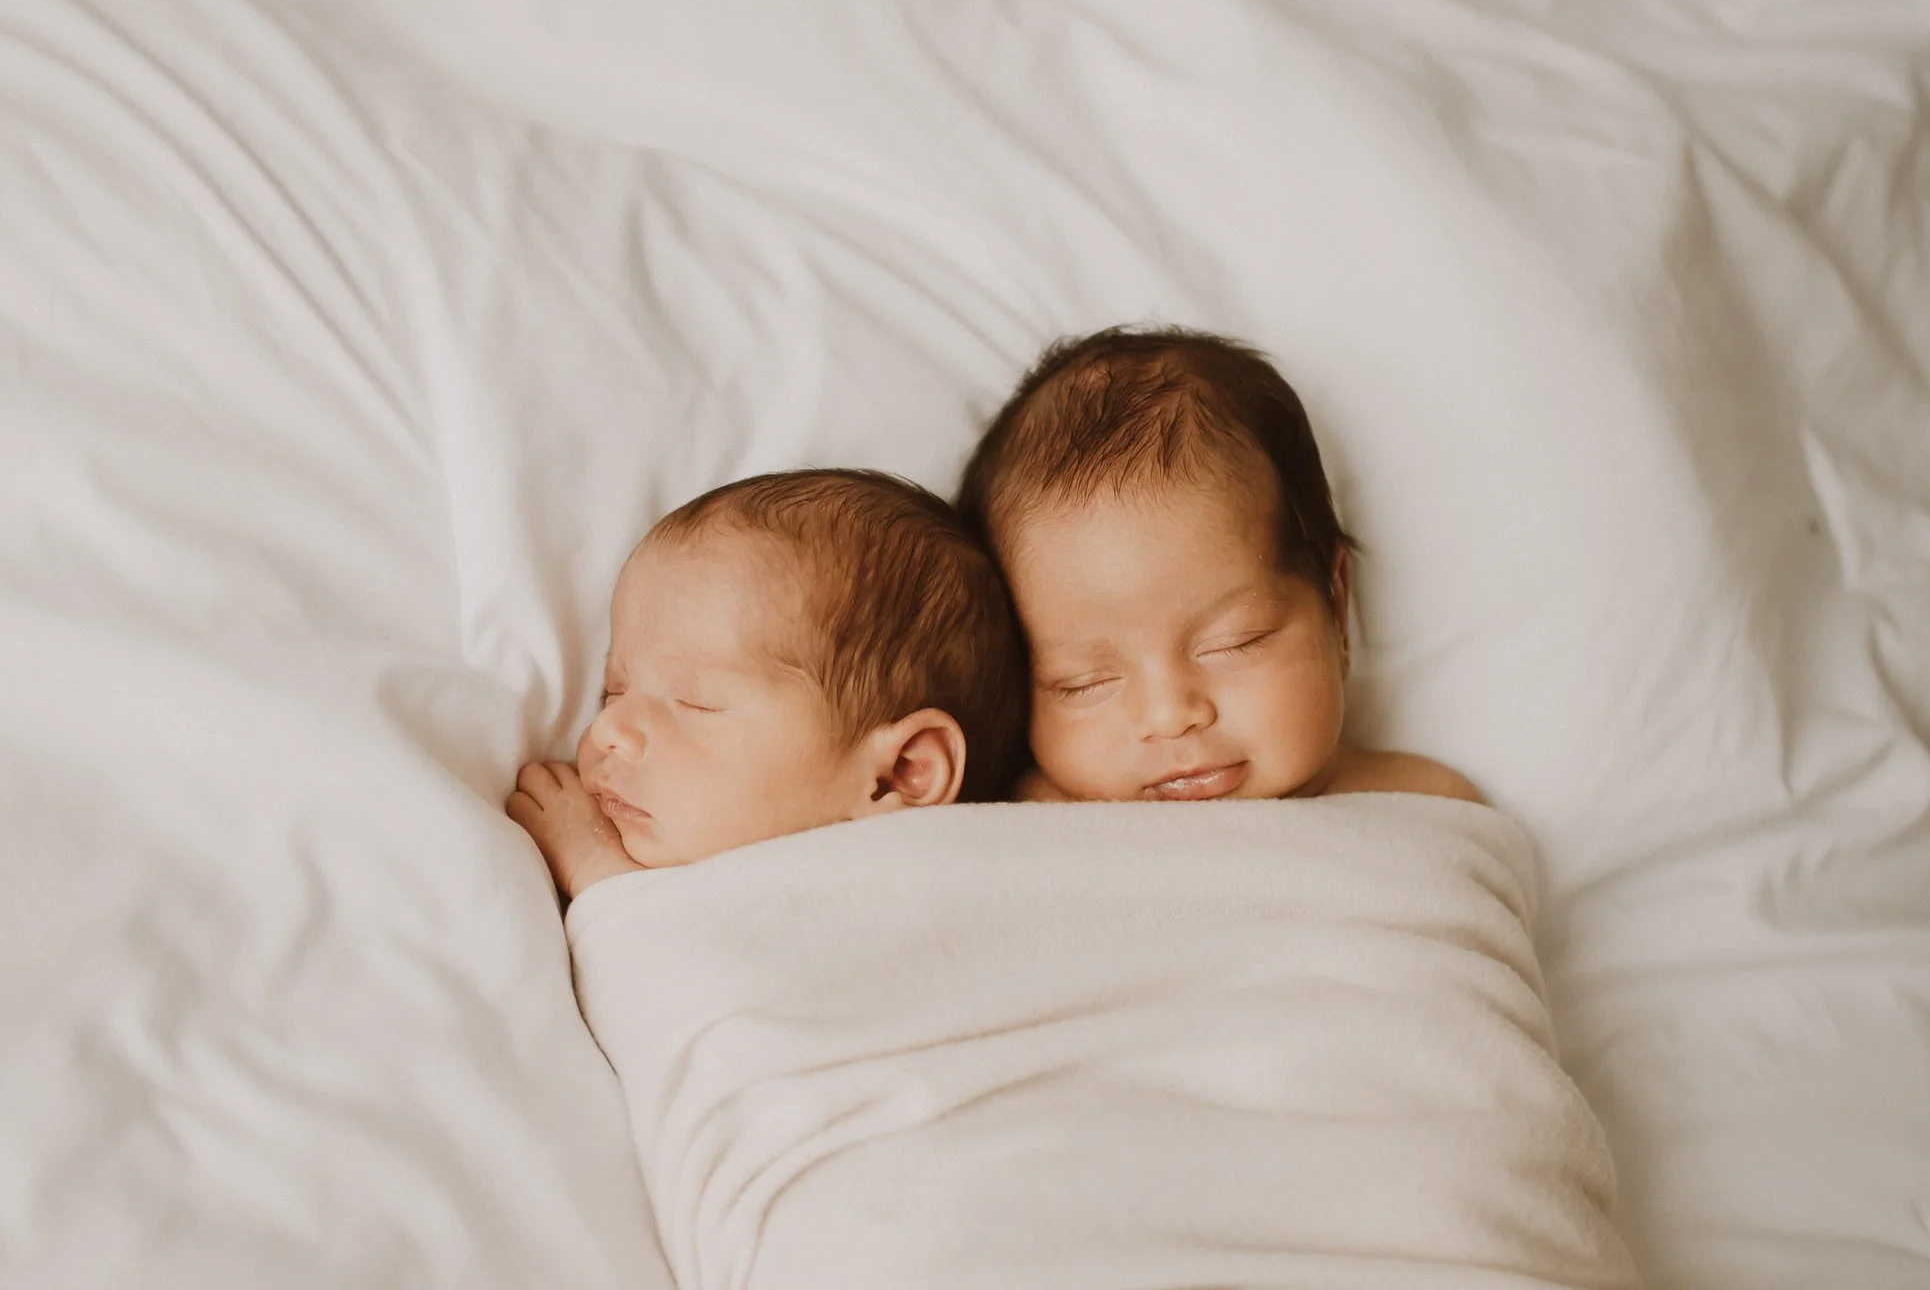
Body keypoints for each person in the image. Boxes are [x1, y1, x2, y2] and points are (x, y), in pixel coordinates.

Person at [956, 324, 1482, 805]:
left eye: (1234, 642)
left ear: (1336, 607)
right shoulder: (1031, 825)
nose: (1169, 716)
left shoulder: (1427, 805)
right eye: (1084, 682)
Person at [508, 467, 1025, 898]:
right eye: (613, 692)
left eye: (695, 702)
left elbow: (701, 994)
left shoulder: (897, 897)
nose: (608, 730)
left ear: (898, 774)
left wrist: (596, 869)